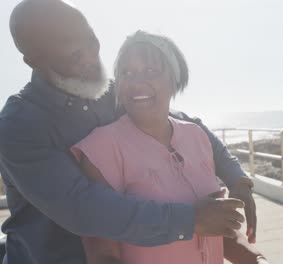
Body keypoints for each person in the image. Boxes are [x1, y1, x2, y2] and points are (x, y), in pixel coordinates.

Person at [0, 0, 260, 263]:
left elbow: (186, 124)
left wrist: (237, 179)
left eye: (92, 41)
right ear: (34, 61)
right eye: (75, 55)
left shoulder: (114, 92)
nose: (91, 57)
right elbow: (82, 207)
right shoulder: (19, 124)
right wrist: (191, 220)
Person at [70, 30, 259, 264]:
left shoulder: (197, 136)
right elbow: (103, 256)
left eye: (150, 71)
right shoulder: (101, 149)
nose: (136, 82)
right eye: (126, 73)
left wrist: (256, 259)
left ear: (174, 79)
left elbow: (215, 226)